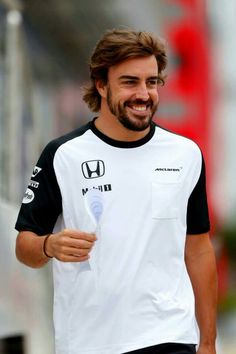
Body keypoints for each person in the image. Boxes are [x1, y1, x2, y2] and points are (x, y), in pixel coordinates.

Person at [15, 29, 218, 354]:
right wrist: (50, 244)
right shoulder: (64, 154)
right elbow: (24, 246)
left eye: (151, 82)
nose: (144, 93)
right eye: (130, 82)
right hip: (88, 342)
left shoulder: (186, 154)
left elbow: (198, 249)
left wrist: (207, 342)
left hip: (169, 336)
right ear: (101, 84)